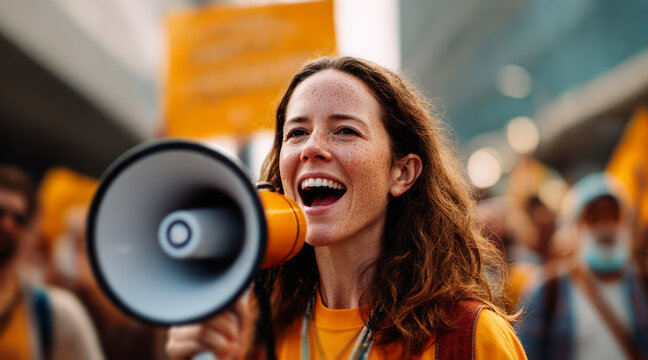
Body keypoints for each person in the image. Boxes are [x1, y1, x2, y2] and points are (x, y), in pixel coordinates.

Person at [166, 56, 526, 359]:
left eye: (345, 131)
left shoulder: (470, 337)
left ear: (401, 173)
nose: (312, 147)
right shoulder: (251, 332)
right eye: (296, 132)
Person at [517, 172, 648, 360]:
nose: (605, 226)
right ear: (575, 227)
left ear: (624, 223)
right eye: (593, 217)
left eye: (612, 215)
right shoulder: (546, 290)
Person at [0, 164, 103, 360]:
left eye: (19, 218)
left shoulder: (55, 313)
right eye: (0, 212)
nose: (7, 224)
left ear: (29, 231)